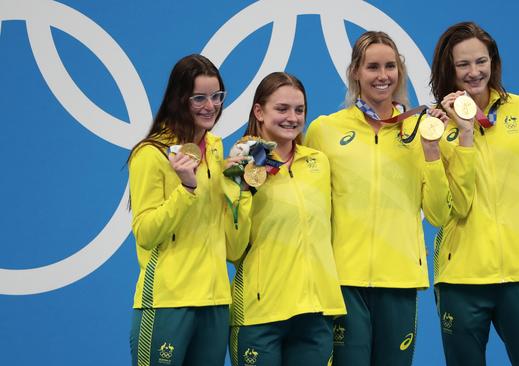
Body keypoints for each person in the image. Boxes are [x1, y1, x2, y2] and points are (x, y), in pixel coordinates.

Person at [305, 31, 469, 366]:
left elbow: (438, 214)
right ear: (355, 72)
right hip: (343, 281)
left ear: (400, 71)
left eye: (390, 66)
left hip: (400, 279)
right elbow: (310, 208)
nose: (383, 76)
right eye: (373, 67)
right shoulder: (325, 130)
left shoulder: (422, 128)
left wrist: (431, 151)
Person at [429, 21, 519, 366]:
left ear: (493, 61)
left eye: (481, 61)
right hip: (461, 279)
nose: (474, 71)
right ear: (448, 69)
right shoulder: (435, 125)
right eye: (462, 64)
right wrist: (462, 134)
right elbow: (446, 209)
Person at [127, 54, 251, 366]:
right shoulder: (151, 154)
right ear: (179, 99)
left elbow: (230, 242)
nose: (211, 106)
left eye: (217, 96)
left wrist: (240, 191)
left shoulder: (216, 148)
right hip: (167, 302)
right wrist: (186, 189)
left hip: (216, 303)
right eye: (200, 98)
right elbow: (145, 233)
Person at [228, 71, 346, 366]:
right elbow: (232, 248)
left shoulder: (318, 162)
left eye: (299, 110)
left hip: (315, 311)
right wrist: (243, 189)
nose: (292, 117)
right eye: (282, 109)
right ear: (259, 111)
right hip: (259, 314)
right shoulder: (236, 167)